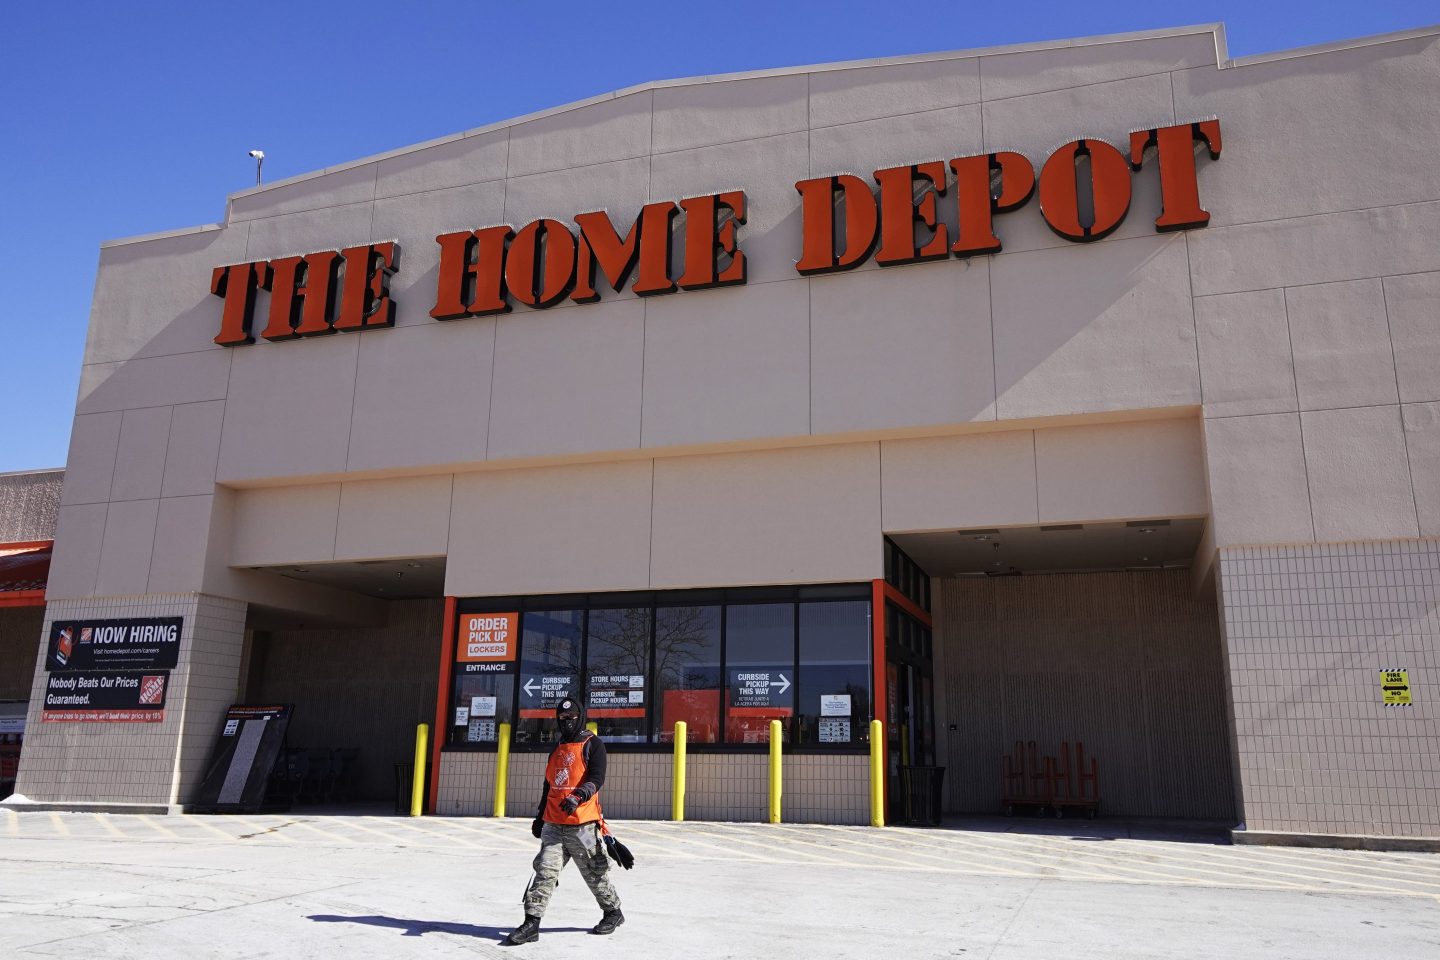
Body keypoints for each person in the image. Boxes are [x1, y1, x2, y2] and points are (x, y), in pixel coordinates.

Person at [503, 697, 624, 945]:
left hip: (583, 825)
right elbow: (548, 785)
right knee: (544, 871)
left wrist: (578, 796)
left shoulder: (594, 745)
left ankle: (613, 912)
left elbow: (596, 778)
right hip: (554, 824)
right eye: (562, 718)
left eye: (571, 717)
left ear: (580, 717)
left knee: (594, 872)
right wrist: (540, 817)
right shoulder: (557, 748)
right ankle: (531, 923)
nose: (567, 722)